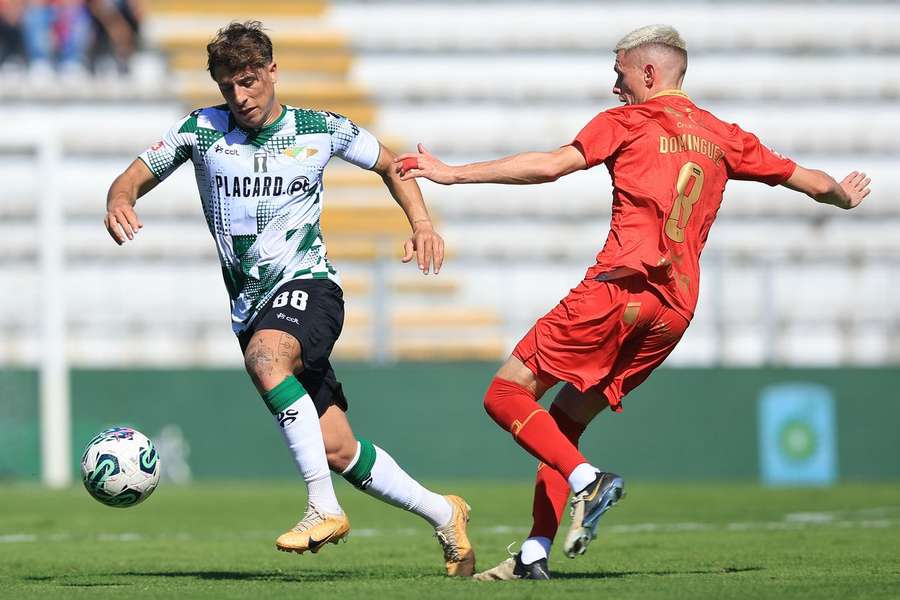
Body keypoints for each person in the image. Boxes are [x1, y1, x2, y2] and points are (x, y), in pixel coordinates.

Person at [396, 24, 870, 580]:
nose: (615, 86)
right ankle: (533, 553)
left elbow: (552, 166)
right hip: (674, 311)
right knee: (565, 423)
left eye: (620, 74)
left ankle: (588, 482)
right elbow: (811, 182)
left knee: (505, 394)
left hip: (621, 287)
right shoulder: (723, 134)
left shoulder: (625, 122)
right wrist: (843, 194)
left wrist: (452, 174)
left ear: (648, 72)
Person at [103, 21, 474, 577]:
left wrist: (421, 221)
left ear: (273, 72)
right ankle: (446, 514)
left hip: (310, 287)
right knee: (337, 449)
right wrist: (119, 198)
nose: (241, 97)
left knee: (267, 359)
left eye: (250, 81)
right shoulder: (200, 130)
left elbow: (391, 165)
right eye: (229, 87)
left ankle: (323, 508)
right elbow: (131, 177)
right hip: (250, 307)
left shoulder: (320, 128)